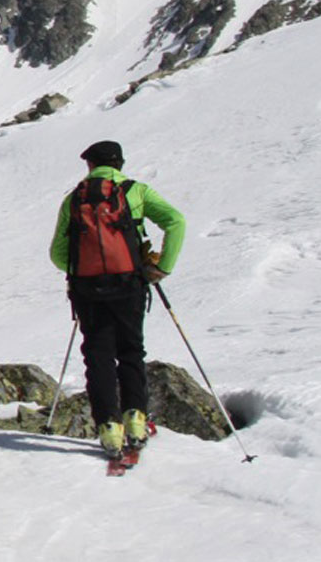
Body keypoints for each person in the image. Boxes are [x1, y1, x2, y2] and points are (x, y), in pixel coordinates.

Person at [49, 140, 186, 460]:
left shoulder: (73, 200)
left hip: (88, 290)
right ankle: (136, 420)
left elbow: (58, 254)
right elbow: (176, 221)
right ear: (120, 164)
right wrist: (161, 267)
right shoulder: (135, 192)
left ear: (90, 165)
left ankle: (108, 426)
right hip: (129, 285)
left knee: (97, 355)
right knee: (130, 350)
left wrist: (83, 268)